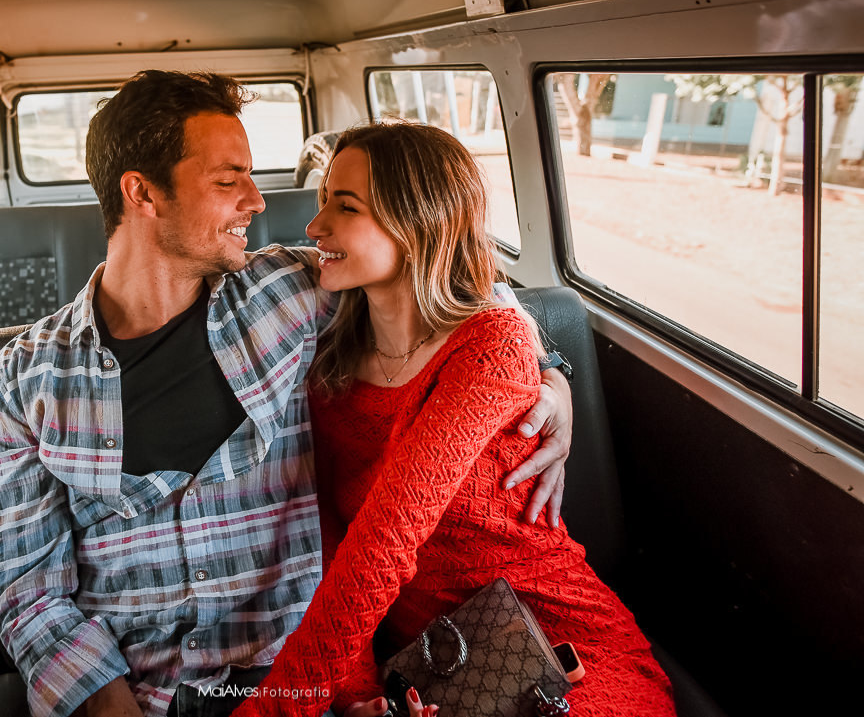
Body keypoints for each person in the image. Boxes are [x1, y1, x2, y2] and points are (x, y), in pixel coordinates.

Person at [0, 71, 574, 717]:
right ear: (143, 193)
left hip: (295, 683)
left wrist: (552, 372)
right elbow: (30, 594)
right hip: (134, 688)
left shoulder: (291, 291)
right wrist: (106, 703)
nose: (258, 201)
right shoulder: (22, 378)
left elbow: (447, 273)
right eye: (229, 180)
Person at [229, 123, 676, 717]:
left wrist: (273, 711)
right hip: (433, 663)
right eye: (321, 202)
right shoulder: (330, 363)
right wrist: (359, 692)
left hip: (558, 644)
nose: (315, 228)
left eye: (345, 205)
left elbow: (385, 542)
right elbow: (338, 538)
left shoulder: (489, 346)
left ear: (417, 221)